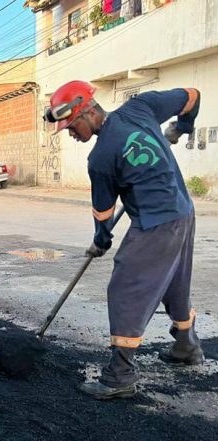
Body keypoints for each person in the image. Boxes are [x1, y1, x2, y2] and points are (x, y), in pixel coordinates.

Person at [46, 80, 203, 400]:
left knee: (125, 289)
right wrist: (182, 126)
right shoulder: (141, 107)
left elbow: (103, 218)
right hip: (183, 213)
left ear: (88, 111)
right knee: (175, 284)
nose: (71, 134)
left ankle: (120, 375)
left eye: (71, 125)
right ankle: (186, 347)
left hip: (155, 223)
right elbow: (192, 97)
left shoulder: (101, 157)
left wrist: (101, 242)